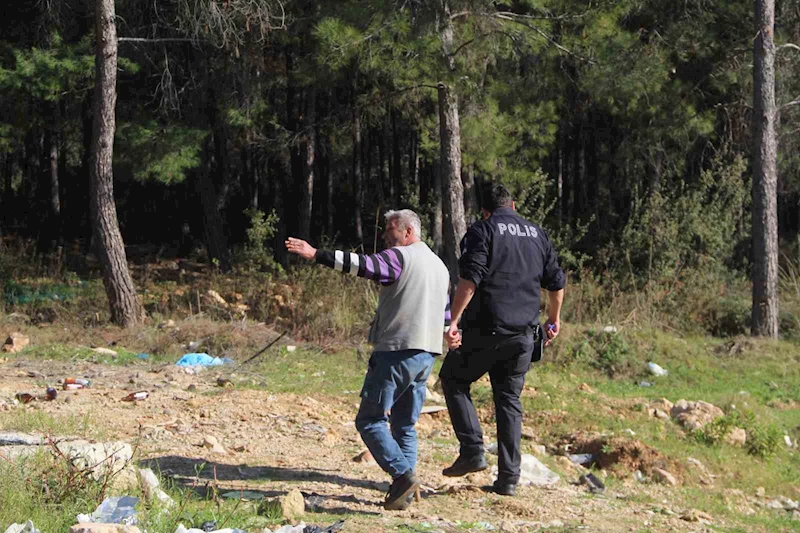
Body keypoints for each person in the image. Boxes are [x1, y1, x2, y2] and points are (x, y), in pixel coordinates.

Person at [285, 209, 450, 511]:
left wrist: (314, 254)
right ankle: (405, 491)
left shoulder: (400, 257)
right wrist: (451, 334)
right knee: (405, 425)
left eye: (391, 230)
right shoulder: (439, 266)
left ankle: (402, 476)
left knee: (370, 420)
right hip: (427, 354)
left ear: (409, 232)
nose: (386, 235)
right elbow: (445, 312)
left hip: (397, 351)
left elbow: (362, 265)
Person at [439, 183, 566, 497]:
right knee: (509, 402)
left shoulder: (482, 230)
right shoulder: (538, 234)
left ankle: (472, 449)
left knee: (453, 379)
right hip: (523, 334)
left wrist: (453, 321)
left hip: (486, 330)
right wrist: (553, 318)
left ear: (485, 210)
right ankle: (508, 479)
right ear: (513, 205)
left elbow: (470, 279)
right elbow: (556, 283)